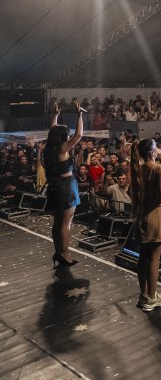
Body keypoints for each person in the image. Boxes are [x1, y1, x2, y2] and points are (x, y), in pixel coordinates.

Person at [130, 138, 161, 311]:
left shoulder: (138, 168)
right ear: (151, 152)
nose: (158, 149)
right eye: (156, 146)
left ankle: (144, 295)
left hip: (142, 217)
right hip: (156, 217)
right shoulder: (159, 168)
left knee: (143, 257)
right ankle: (152, 298)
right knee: (154, 260)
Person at [44, 100, 84, 267]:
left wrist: (56, 115)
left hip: (54, 186)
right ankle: (65, 254)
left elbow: (52, 129)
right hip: (66, 187)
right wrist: (79, 115)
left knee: (57, 222)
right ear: (63, 137)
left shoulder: (49, 148)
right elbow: (79, 135)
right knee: (66, 223)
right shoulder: (62, 149)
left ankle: (58, 252)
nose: (69, 136)